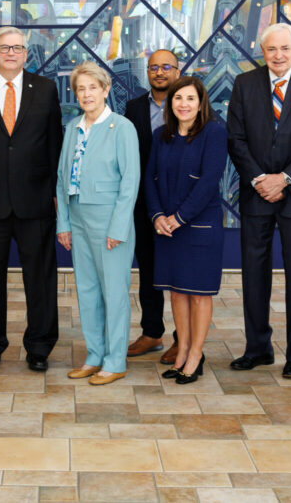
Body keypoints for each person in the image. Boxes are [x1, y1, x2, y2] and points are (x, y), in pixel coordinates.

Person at [226, 22, 291, 379]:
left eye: (285, 49)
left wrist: (284, 179)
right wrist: (259, 179)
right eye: (271, 49)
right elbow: (236, 138)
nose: (278, 55)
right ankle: (257, 348)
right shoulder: (245, 84)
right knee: (253, 276)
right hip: (255, 194)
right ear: (262, 51)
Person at [0, 26, 63, 373]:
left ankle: (39, 347)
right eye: (4, 47)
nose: (11, 53)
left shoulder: (46, 90)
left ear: (26, 54)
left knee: (41, 278)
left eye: (17, 48)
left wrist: (56, 195)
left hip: (36, 201)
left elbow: (55, 146)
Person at [57, 62, 140, 385]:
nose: (87, 94)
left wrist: (118, 228)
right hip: (77, 217)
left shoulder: (121, 128)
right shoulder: (73, 128)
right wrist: (63, 222)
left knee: (114, 292)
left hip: (109, 221)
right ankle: (94, 355)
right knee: (87, 290)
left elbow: (130, 181)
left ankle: (115, 359)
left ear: (106, 90)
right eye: (81, 89)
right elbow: (62, 179)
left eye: (93, 87)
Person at [145, 76, 228, 384]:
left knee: (199, 294)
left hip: (199, 226)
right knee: (177, 293)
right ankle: (180, 353)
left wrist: (178, 218)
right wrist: (157, 216)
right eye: (178, 98)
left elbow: (209, 182)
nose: (183, 104)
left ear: (201, 103)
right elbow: (150, 178)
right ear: (171, 103)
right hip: (166, 228)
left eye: (190, 99)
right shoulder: (160, 135)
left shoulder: (214, 133)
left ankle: (195, 354)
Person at [124, 49, 180, 364]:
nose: (159, 72)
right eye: (153, 67)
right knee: (148, 271)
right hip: (143, 203)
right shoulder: (133, 108)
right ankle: (152, 332)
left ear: (177, 70)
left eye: (166, 67)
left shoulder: (189, 102)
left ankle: (183, 338)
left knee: (180, 275)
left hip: (179, 205)